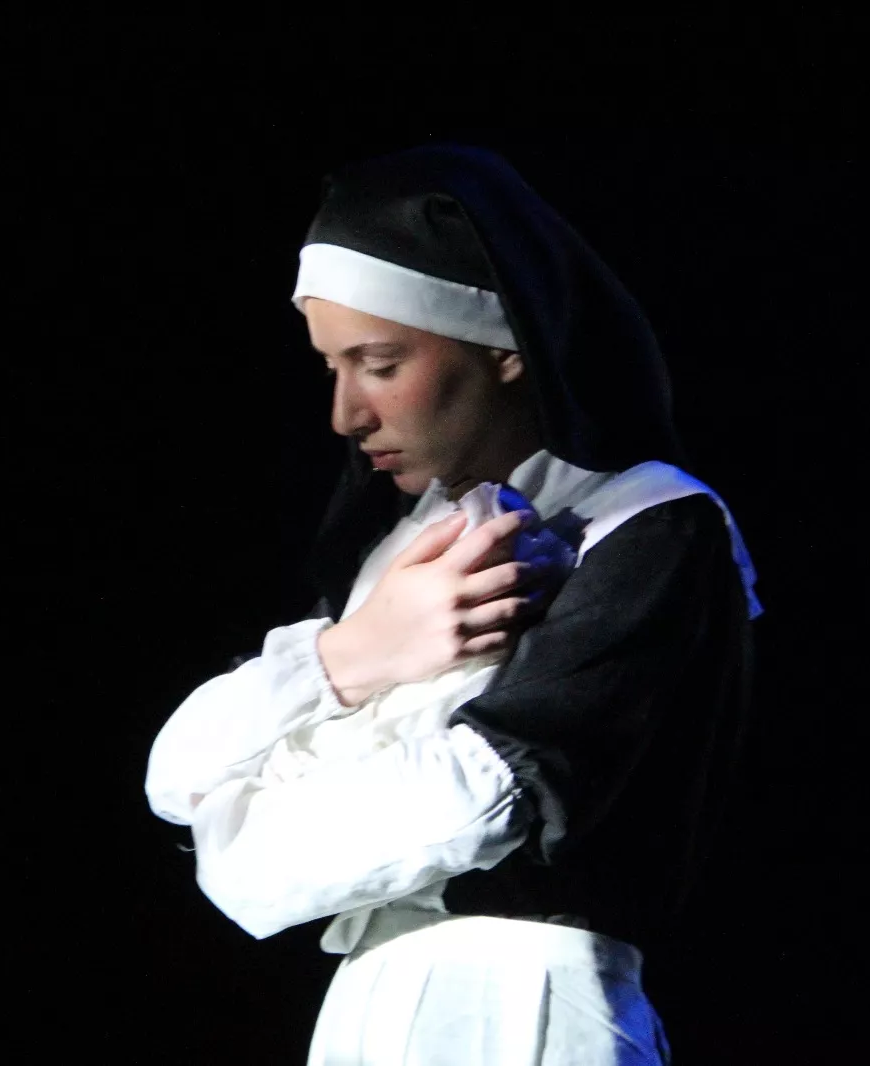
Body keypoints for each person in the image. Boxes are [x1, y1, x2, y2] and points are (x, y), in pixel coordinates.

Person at [145, 144, 763, 1065]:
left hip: (521, 999)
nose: (345, 416)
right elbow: (175, 778)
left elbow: (463, 809)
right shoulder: (395, 553)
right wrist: (354, 655)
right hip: (363, 1000)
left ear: (502, 348)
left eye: (379, 363)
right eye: (331, 369)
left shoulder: (652, 526)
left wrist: (249, 839)